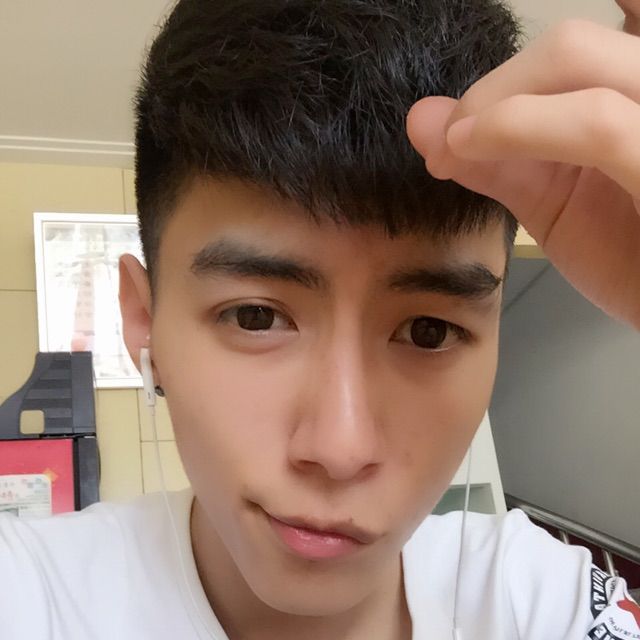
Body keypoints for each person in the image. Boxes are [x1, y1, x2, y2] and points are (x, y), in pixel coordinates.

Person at [1, 0, 639, 638]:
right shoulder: (30, 594)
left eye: (429, 331)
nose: (341, 450)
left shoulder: (540, 599)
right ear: (144, 320)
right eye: (256, 317)